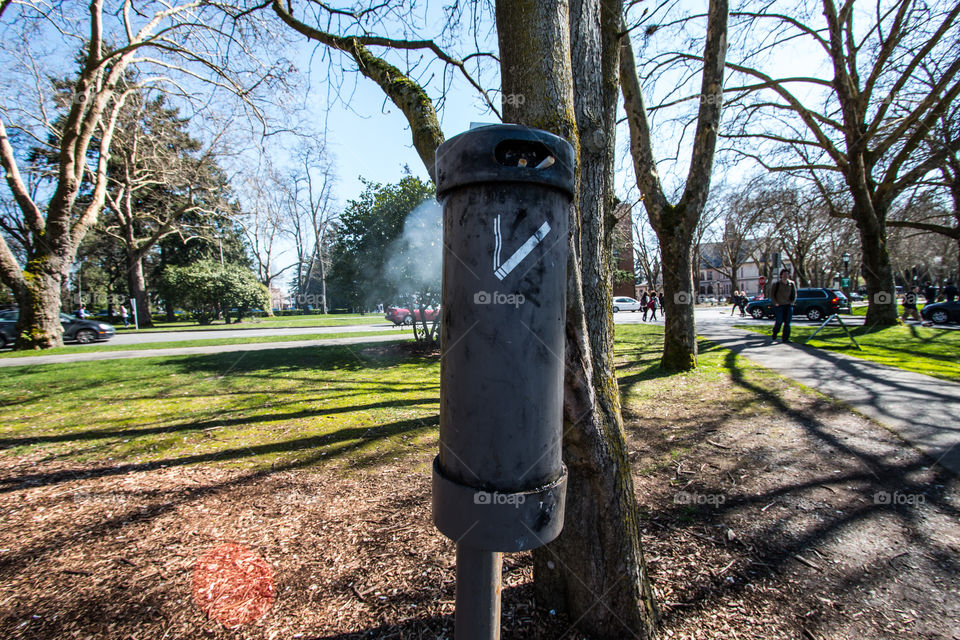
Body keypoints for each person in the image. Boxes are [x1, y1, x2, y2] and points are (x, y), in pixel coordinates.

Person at [768, 269, 797, 343]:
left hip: (788, 305)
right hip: (779, 305)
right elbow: (772, 295)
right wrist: (775, 303)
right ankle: (775, 332)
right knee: (779, 321)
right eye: (784, 274)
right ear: (781, 275)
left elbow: (794, 294)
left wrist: (792, 302)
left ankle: (785, 338)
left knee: (787, 323)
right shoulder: (776, 284)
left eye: (787, 274)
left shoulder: (791, 283)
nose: (785, 276)